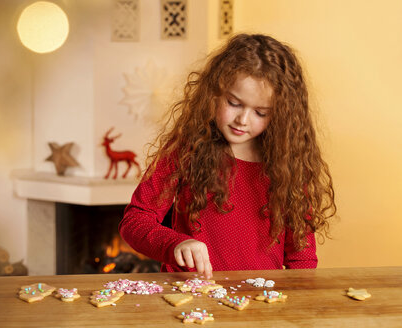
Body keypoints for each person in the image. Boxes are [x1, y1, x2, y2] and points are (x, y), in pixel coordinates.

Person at [119, 33, 336, 279]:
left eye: (260, 113)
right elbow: (136, 221)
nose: (242, 120)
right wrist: (175, 243)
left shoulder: (289, 165)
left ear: (280, 114)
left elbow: (301, 257)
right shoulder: (187, 149)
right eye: (234, 103)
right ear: (214, 93)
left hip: (259, 307)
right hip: (192, 299)